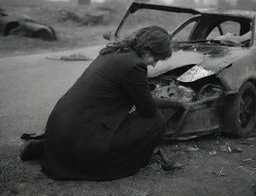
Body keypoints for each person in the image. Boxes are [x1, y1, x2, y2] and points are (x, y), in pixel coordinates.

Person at [39, 26, 172, 181]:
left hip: (60, 130)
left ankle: (51, 150)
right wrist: (175, 104)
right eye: (155, 59)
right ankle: (115, 163)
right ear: (147, 48)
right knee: (156, 121)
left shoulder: (115, 51)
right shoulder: (135, 65)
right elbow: (148, 110)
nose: (154, 65)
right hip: (79, 138)